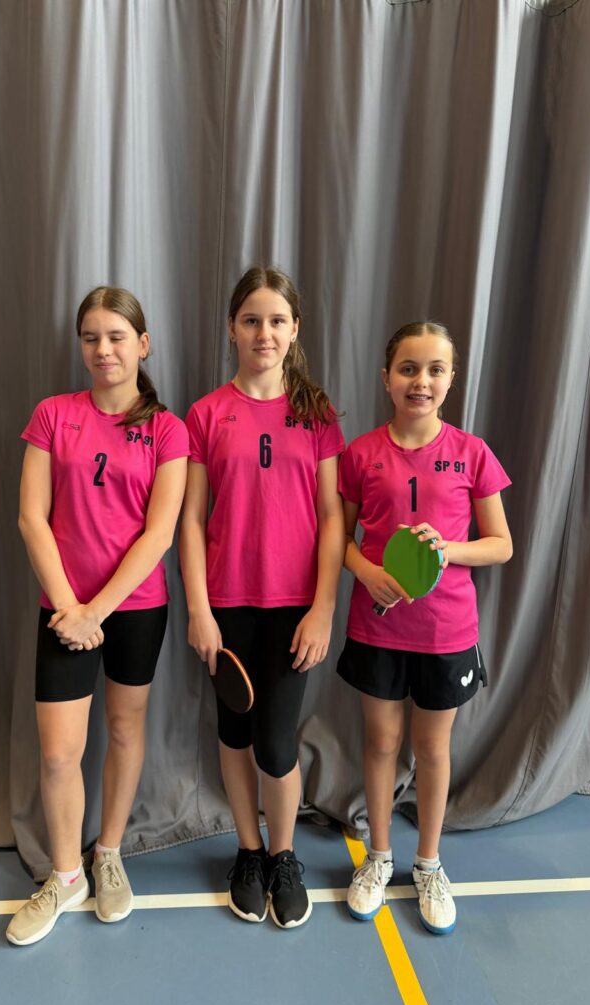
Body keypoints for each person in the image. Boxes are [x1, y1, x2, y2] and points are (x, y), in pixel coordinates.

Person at [7, 287, 188, 945]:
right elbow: (32, 518)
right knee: (59, 753)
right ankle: (65, 876)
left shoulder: (169, 430)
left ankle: (108, 852)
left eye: (116, 336)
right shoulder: (54, 415)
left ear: (143, 345)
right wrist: (70, 609)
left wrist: (97, 612)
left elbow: (160, 533)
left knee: (124, 728)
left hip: (135, 609)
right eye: (91, 337)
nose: (103, 349)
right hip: (63, 611)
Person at [180, 266, 345, 929]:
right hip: (226, 606)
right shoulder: (205, 415)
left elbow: (333, 518)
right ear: (232, 328)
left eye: (277, 321)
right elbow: (191, 520)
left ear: (295, 329)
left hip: (295, 608)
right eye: (251, 320)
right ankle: (248, 852)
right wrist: (199, 609)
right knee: (234, 731)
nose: (264, 333)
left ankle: (284, 856)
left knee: (277, 745)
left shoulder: (317, 414)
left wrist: (323, 608)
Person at [337, 321, 512, 935]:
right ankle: (379, 857)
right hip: (377, 627)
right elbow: (340, 539)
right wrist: (365, 571)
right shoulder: (360, 454)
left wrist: (448, 549)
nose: (421, 381)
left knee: (432, 748)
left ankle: (429, 864)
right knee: (381, 742)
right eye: (408, 368)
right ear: (386, 378)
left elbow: (500, 545)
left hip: (446, 632)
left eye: (435, 369)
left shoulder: (472, 452)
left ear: (451, 380)